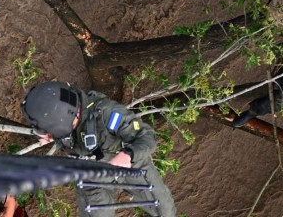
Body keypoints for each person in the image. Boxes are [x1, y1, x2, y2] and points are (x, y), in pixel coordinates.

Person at [21, 81, 176, 217]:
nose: (45, 135)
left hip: (130, 164)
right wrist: (54, 136)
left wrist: (128, 154)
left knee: (166, 212)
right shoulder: (64, 121)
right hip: (92, 175)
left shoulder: (107, 114)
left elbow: (146, 136)